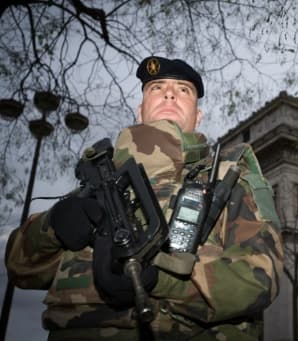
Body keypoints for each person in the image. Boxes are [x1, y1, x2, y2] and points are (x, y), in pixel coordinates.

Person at [5, 56, 283, 340]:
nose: (169, 93)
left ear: (198, 116)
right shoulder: (93, 186)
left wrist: (158, 278)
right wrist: (51, 227)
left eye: (183, 90)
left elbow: (261, 276)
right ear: (140, 110)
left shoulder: (230, 179)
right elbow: (19, 268)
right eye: (156, 88)